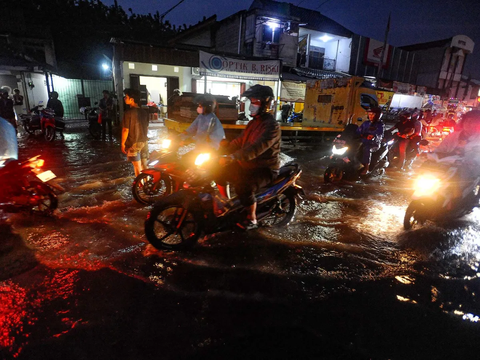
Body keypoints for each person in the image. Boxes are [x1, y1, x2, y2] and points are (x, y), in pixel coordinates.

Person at [216, 85, 281, 230]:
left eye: (256, 101)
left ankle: (252, 218)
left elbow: (257, 148)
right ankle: (226, 201)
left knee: (243, 186)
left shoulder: (272, 126)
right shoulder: (253, 123)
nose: (252, 105)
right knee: (216, 170)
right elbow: (240, 141)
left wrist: (233, 157)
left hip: (265, 168)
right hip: (246, 163)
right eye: (251, 101)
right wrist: (223, 148)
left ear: (266, 103)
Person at [427, 110, 480, 204]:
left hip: (469, 168)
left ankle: (457, 201)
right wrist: (431, 154)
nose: (469, 124)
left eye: (473, 122)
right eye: (467, 121)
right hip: (448, 166)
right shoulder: (453, 136)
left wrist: (474, 161)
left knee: (457, 181)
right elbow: (440, 149)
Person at [121, 88, 149, 177]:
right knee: (144, 165)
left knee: (137, 167)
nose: (124, 98)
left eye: (126, 97)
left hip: (133, 143)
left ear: (132, 99)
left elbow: (125, 130)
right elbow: (147, 128)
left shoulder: (128, 113)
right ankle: (147, 185)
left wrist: (122, 143)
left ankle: (140, 187)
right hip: (144, 142)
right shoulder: (144, 112)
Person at [356, 106, 384, 175]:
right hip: (362, 142)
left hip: (373, 144)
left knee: (367, 149)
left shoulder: (380, 125)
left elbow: (379, 134)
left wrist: (373, 136)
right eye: (369, 114)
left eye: (372, 114)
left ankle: (366, 168)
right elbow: (358, 130)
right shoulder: (366, 123)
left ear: (377, 115)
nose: (370, 116)